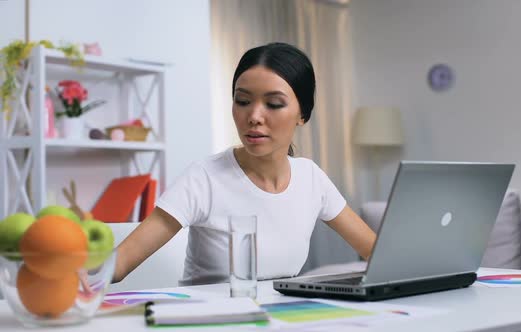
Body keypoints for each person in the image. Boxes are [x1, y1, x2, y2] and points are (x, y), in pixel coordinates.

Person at [113, 42, 376, 285]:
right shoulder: (204, 178)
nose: (254, 116)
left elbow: (375, 252)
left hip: (282, 317)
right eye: (242, 101)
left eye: (273, 104)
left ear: (303, 115)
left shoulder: (311, 178)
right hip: (214, 319)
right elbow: (121, 261)